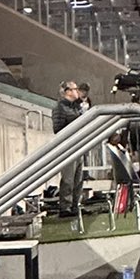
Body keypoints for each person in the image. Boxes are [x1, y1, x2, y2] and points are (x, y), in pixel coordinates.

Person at [50, 79, 87, 218]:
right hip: (67, 146)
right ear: (67, 92)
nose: (77, 91)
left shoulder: (76, 107)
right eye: (74, 89)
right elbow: (58, 128)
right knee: (68, 179)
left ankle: (74, 205)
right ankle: (65, 206)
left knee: (78, 179)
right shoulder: (60, 107)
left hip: (78, 145)